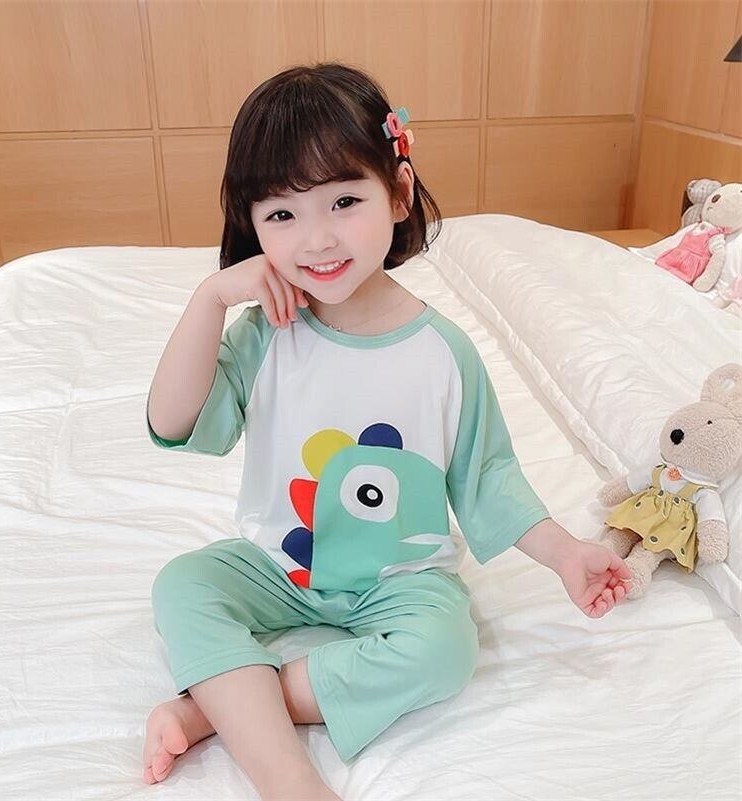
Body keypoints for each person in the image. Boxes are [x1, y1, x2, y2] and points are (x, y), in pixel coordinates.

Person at [142, 62, 632, 800]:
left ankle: (218, 708)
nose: (316, 239)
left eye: (344, 201)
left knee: (445, 650)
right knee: (183, 584)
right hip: (279, 566)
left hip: (401, 581)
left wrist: (566, 553)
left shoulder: (442, 353)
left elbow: (487, 477)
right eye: (281, 215)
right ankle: (290, 780)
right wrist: (210, 298)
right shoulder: (265, 333)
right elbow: (171, 420)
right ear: (252, 225)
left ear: (399, 194)